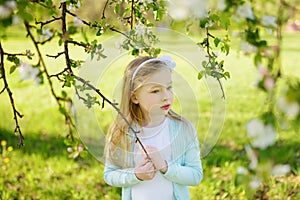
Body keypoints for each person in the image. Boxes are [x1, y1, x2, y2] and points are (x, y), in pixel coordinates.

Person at [104, 55, 203, 200]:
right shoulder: (122, 131)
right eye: (155, 91)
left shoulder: (183, 129)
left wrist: (165, 167)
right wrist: (136, 175)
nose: (166, 96)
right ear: (134, 97)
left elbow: (195, 176)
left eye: (169, 87)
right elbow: (110, 174)